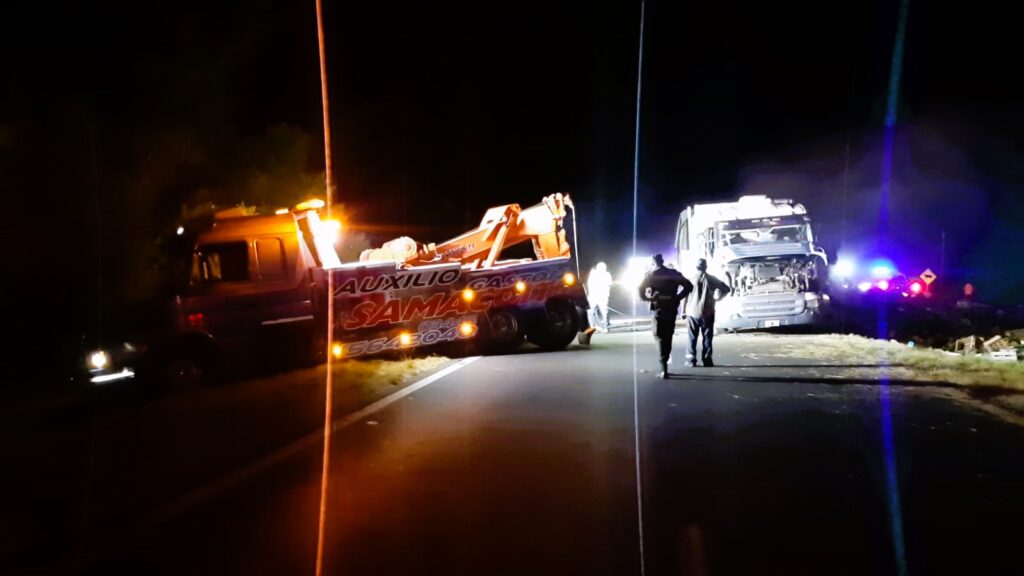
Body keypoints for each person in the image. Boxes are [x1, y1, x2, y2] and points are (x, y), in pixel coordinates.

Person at [639, 254, 692, 379]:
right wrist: (677, 298)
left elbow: (640, 290)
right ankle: (665, 366)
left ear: (653, 262)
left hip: (658, 309)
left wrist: (649, 298)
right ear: (662, 261)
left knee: (659, 337)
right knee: (668, 336)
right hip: (671, 308)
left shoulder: (650, 275)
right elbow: (689, 286)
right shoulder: (673, 273)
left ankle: (664, 368)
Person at [684, 258, 731, 367]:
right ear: (706, 267)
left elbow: (685, 297)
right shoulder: (712, 279)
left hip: (692, 312)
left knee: (692, 337)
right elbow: (726, 289)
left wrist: (683, 311)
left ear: (696, 267)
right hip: (708, 312)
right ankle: (707, 360)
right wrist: (718, 299)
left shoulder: (690, 279)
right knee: (707, 337)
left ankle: (691, 360)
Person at [587, 262, 613, 332]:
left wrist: (607, 295)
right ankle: (594, 326)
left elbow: (609, 285)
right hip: (593, 296)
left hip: (603, 296)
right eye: (601, 267)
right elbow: (590, 284)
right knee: (590, 311)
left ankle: (605, 327)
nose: (603, 269)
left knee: (604, 312)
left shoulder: (607, 274)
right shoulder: (593, 273)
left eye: (604, 267)